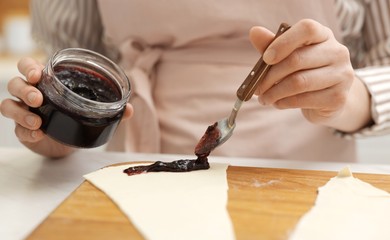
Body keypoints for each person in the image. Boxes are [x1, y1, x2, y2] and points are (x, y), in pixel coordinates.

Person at [1, 0, 390, 162]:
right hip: (134, 167)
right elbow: (74, 60)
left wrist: (346, 96)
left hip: (305, 176)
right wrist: (60, 123)